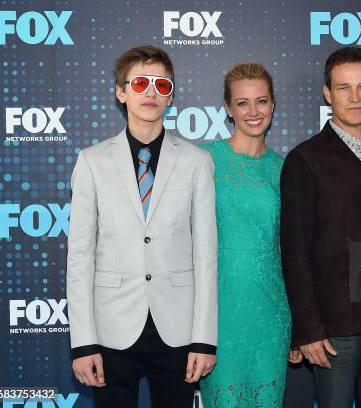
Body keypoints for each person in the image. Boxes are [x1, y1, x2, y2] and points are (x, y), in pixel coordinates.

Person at [66, 44, 218, 407]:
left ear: (170, 96)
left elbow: (206, 254)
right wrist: (83, 342)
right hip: (111, 328)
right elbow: (80, 256)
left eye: (162, 85)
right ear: (121, 92)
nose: (151, 92)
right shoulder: (91, 162)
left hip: (178, 330)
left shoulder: (198, 162)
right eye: (140, 83)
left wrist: (204, 339)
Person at [280, 46, 361, 408]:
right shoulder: (306, 159)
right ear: (327, 93)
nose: (354, 98)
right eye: (343, 88)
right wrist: (306, 330)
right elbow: (295, 251)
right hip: (336, 324)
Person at [199, 62, 292, 407]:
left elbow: (289, 249)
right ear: (228, 107)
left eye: (262, 101)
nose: (253, 112)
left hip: (271, 314)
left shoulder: (284, 169)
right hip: (219, 315)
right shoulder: (205, 160)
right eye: (242, 103)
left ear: (273, 104)